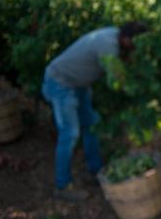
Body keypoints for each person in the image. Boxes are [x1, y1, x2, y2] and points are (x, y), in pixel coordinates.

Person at [42, 22, 148, 201]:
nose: (136, 48)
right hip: (60, 83)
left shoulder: (116, 36)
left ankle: (96, 171)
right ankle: (62, 186)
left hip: (79, 85)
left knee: (92, 125)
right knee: (70, 133)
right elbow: (119, 80)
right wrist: (139, 89)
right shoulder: (108, 45)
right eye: (134, 44)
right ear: (126, 38)